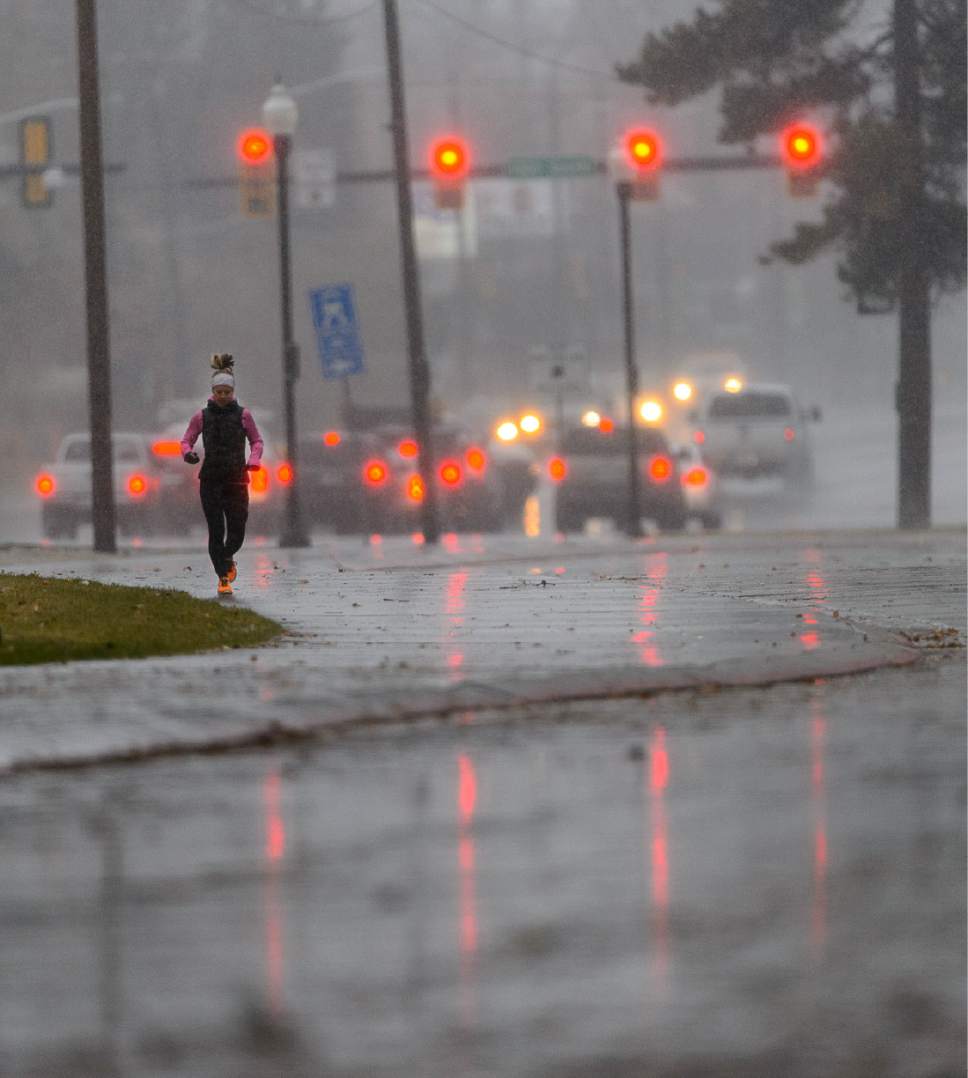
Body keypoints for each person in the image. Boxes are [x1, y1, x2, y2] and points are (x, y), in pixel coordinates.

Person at [180, 354, 264, 596]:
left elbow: (257, 441)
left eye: (227, 392)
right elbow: (187, 440)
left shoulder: (244, 416)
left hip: (237, 479)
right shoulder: (201, 417)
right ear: (213, 392)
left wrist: (254, 460)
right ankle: (222, 577)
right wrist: (188, 453)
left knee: (237, 529)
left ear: (233, 392)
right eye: (219, 392)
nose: (224, 396)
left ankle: (227, 556)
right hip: (210, 480)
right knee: (216, 530)